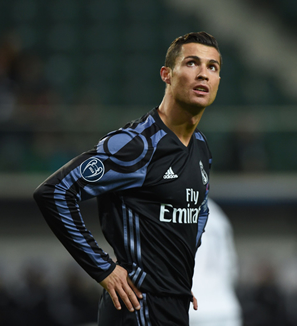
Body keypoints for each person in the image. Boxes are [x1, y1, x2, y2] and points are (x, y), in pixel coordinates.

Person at [33, 31, 222, 326]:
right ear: (167, 75)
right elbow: (55, 192)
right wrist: (103, 269)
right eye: (191, 63)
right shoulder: (137, 144)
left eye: (212, 67)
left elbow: (200, 208)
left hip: (174, 304)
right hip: (137, 307)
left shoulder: (201, 147)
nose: (203, 74)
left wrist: (177, 277)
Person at [188, 199, 242, 326]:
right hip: (225, 307)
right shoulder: (216, 213)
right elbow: (231, 268)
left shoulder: (173, 207)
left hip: (192, 309)